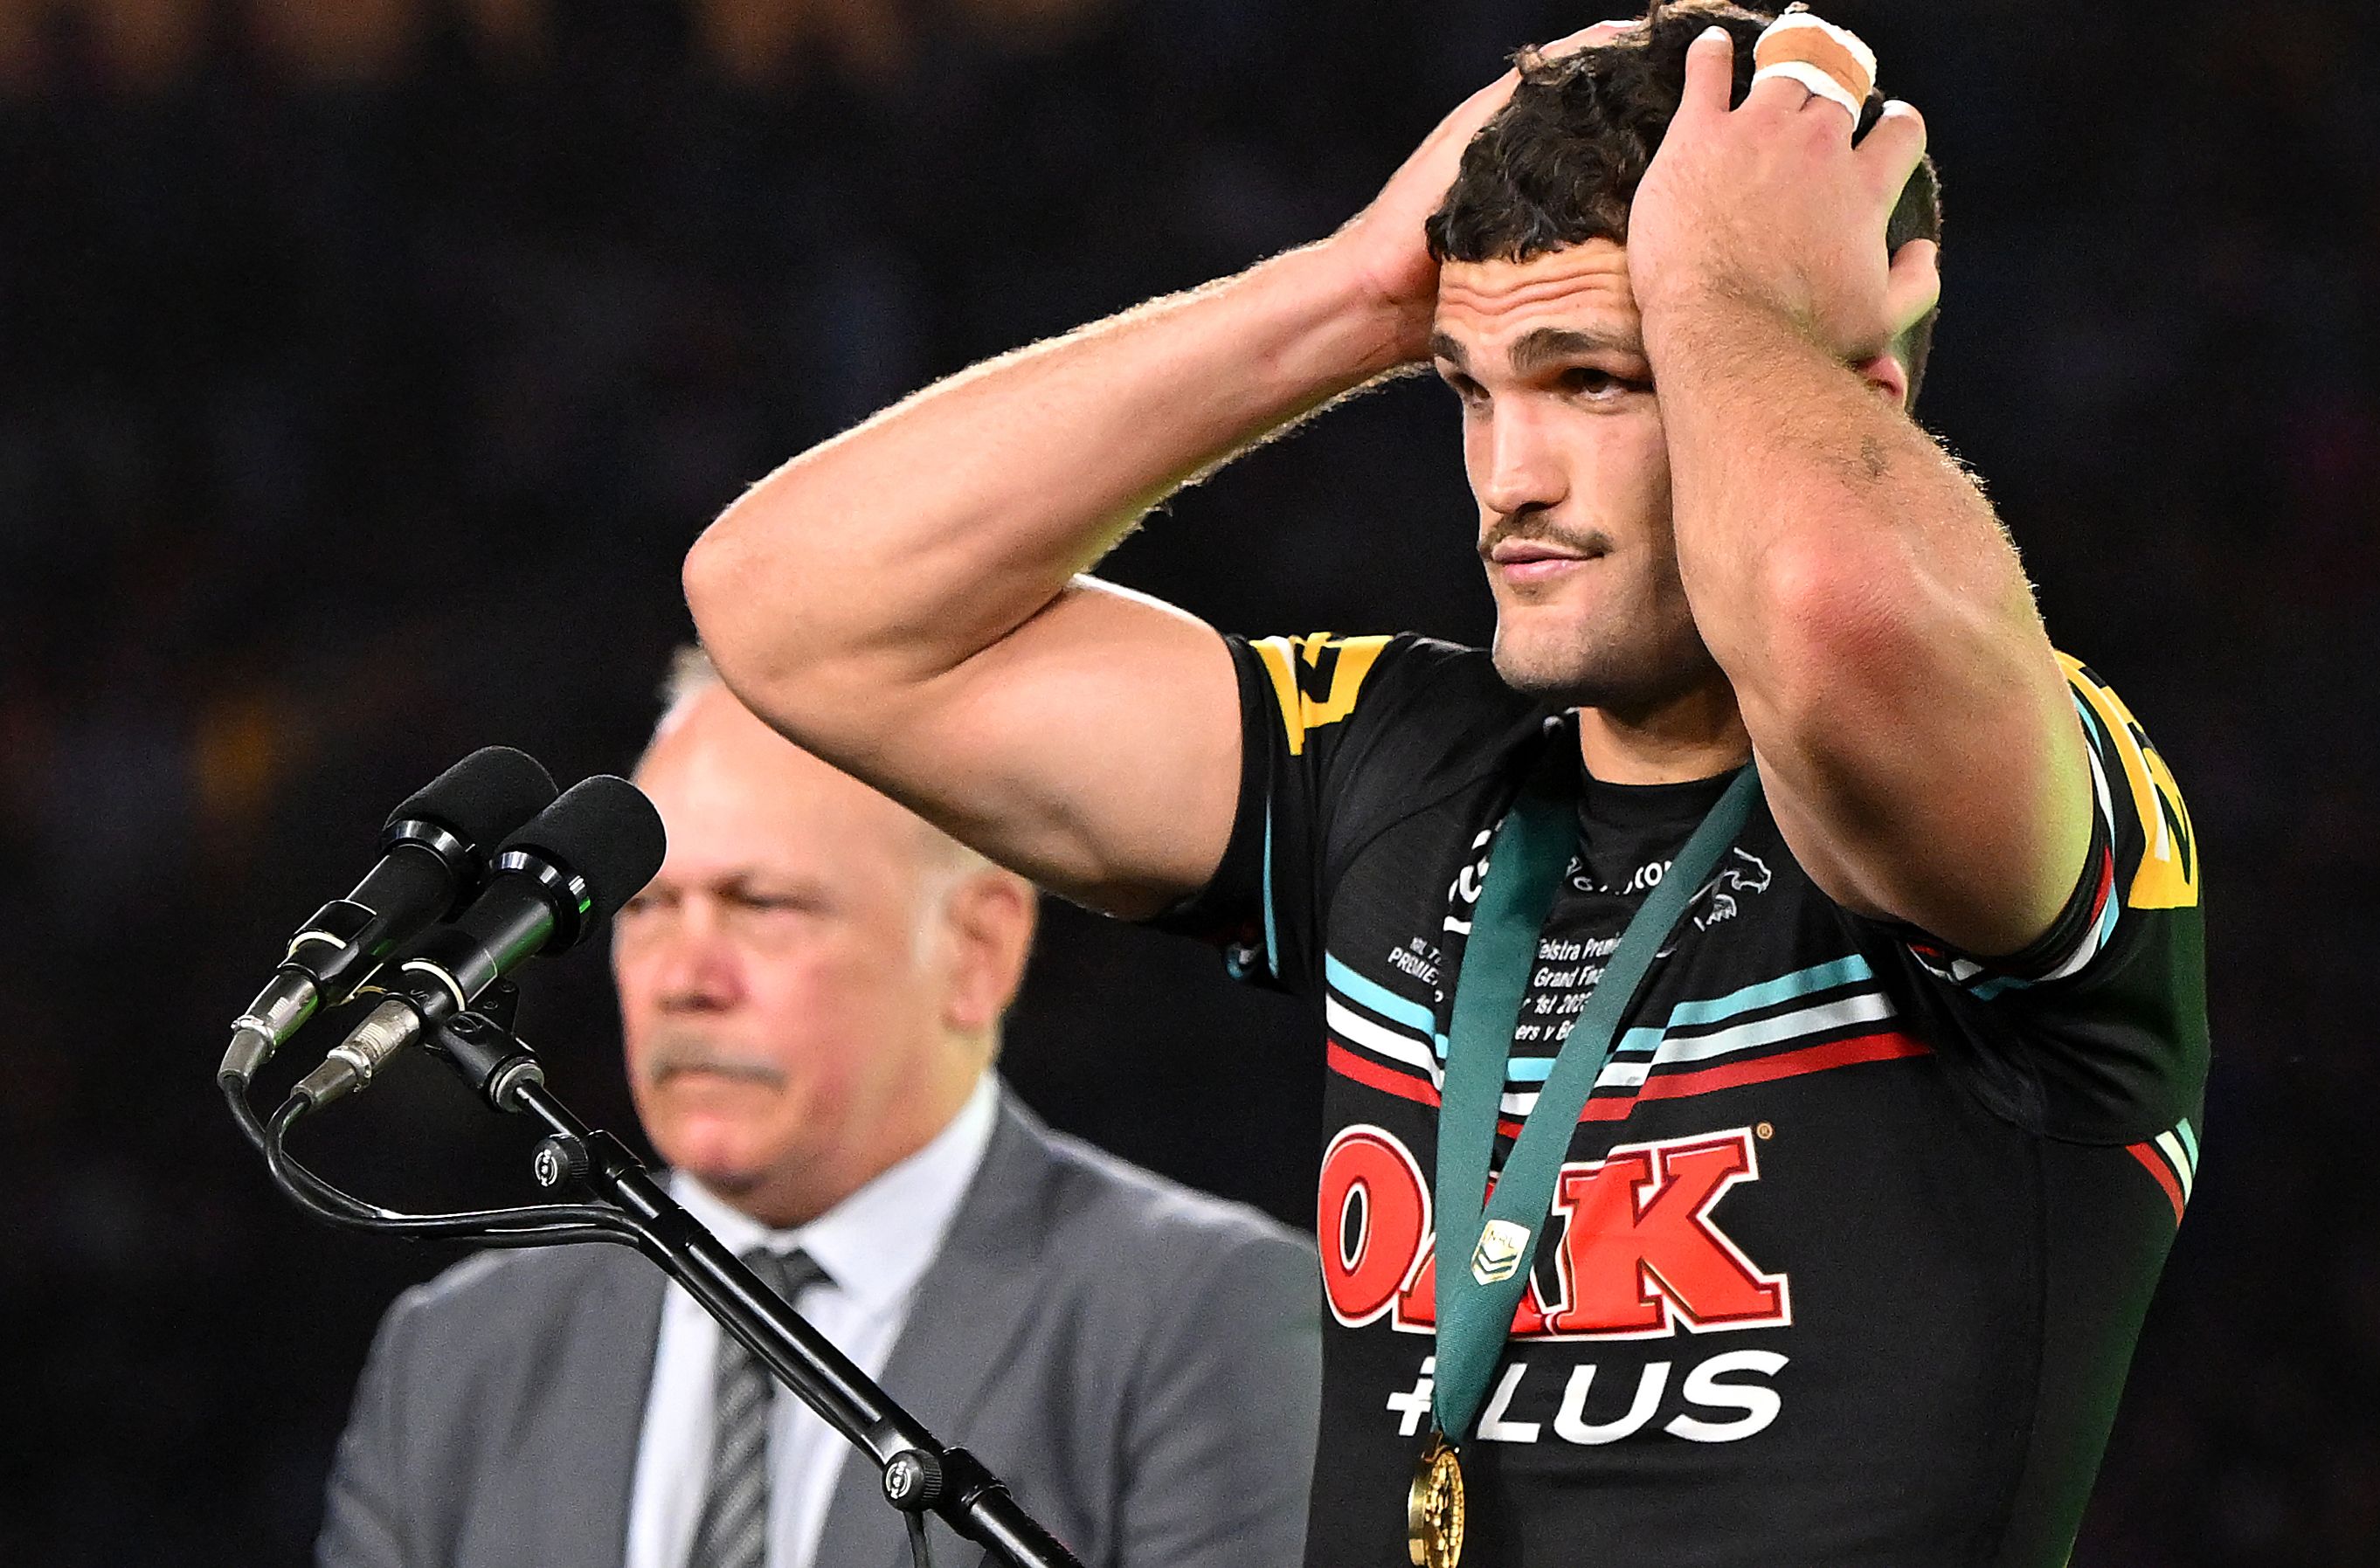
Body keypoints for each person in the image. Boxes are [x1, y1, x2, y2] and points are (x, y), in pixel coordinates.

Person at [681, 3, 2207, 1564]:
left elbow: (1833, 615)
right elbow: (791, 608)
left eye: (1599, 379)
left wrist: (1726, 300)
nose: (1508, 474)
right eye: (1471, 388)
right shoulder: (1401, 758)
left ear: (1847, 383)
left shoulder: (2038, 783)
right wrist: (1350, 292)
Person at [315, 650, 1322, 1568]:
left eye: (763, 905)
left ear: (978, 949)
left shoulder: (1204, 1318)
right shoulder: (455, 1357)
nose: (684, 977)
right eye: (651, 910)